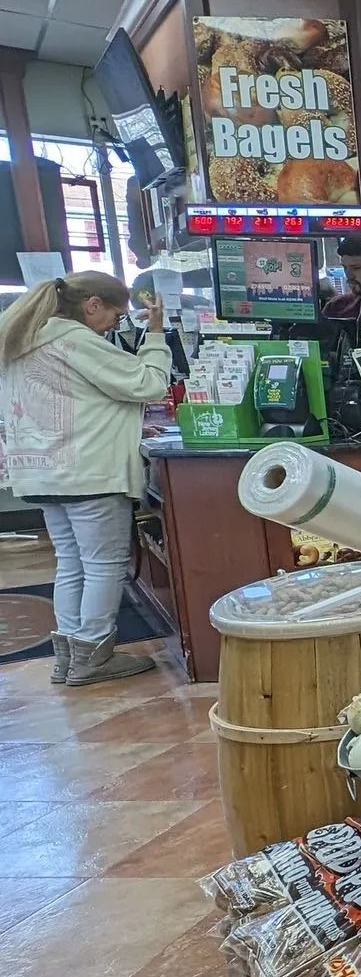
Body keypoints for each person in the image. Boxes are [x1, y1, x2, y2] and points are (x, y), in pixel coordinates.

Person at [0, 271, 173, 684]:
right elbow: (149, 384)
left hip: (42, 473)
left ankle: (69, 656)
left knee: (71, 564)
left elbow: (75, 399)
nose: (114, 324)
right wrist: (155, 334)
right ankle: (94, 655)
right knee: (103, 566)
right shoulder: (74, 340)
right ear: (92, 304)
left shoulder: (22, 339)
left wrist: (127, 424)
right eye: (115, 314)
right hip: (88, 473)